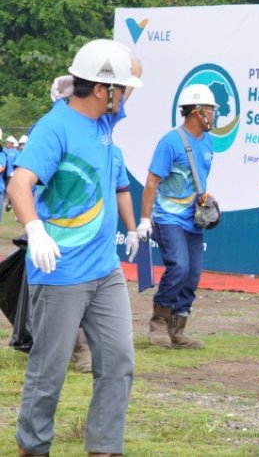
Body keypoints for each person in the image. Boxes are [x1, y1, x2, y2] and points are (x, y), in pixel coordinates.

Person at [8, 38, 142, 457]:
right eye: (118, 88)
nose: (126, 94)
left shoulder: (105, 120)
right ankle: (34, 448)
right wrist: (35, 228)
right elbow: (19, 183)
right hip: (61, 272)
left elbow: (133, 68)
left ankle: (104, 448)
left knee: (119, 362)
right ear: (103, 90)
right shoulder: (55, 127)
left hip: (105, 271)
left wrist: (86, 75)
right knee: (48, 373)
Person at [137, 84, 218, 350]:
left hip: (192, 219)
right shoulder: (170, 142)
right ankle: (158, 324)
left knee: (193, 274)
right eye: (211, 109)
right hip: (167, 218)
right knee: (179, 267)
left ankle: (178, 328)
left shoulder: (208, 142)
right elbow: (151, 182)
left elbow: (198, 179)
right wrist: (145, 219)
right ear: (197, 112)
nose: (215, 114)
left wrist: (205, 201)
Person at [72, 144, 140, 373]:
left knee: (101, 299)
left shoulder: (116, 152)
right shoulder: (63, 140)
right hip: (70, 242)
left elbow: (122, 192)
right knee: (73, 296)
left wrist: (132, 230)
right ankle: (81, 348)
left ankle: (95, 348)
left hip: (103, 247)